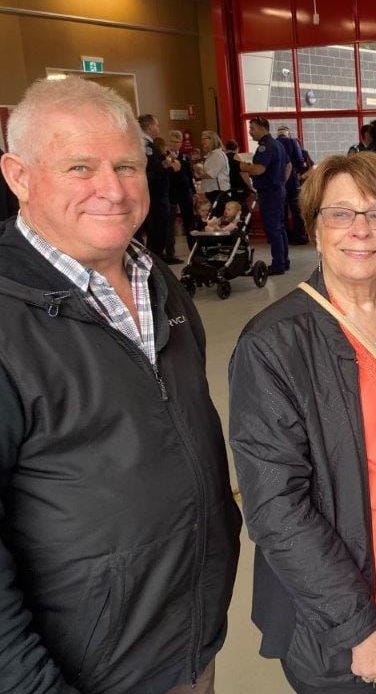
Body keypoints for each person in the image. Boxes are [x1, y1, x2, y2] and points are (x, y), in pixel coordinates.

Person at [0, 75, 241, 693]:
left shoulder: (156, 279)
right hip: (79, 674)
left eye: (127, 166)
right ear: (19, 176)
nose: (112, 190)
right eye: (80, 166)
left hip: (185, 643)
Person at [229, 152, 376, 694]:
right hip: (341, 614)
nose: (361, 229)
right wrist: (359, 624)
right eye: (341, 214)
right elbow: (276, 507)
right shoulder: (273, 344)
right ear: (315, 226)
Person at [240, 116, 290, 275]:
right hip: (278, 190)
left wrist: (244, 166)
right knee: (280, 228)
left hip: (269, 193)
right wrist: (281, 181)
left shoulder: (266, 146)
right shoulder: (278, 144)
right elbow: (288, 166)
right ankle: (284, 260)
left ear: (263, 128)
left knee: (273, 229)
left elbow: (259, 169)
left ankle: (278, 264)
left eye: (252, 128)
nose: (250, 132)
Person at [139, 112, 172, 258]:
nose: (158, 128)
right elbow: (153, 169)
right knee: (157, 229)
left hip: (153, 193)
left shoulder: (145, 143)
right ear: (150, 126)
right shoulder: (146, 145)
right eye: (157, 125)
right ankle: (154, 259)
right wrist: (167, 166)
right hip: (155, 194)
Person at [277, 125, 309, 245]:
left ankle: (285, 236)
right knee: (296, 209)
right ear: (288, 133)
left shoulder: (273, 144)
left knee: (282, 210)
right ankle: (298, 236)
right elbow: (300, 161)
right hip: (292, 180)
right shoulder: (293, 142)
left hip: (277, 181)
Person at [166, 129, 194, 262]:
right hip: (171, 193)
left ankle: (193, 249)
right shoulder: (165, 156)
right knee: (170, 224)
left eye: (178, 142)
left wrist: (193, 192)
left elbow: (190, 176)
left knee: (189, 221)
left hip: (185, 193)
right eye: (173, 141)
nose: (175, 144)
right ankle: (170, 253)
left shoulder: (184, 157)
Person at [194, 129, 231, 216]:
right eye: (201, 139)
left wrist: (199, 171)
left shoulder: (217, 155)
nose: (202, 141)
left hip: (218, 191)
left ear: (212, 140)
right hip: (212, 191)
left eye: (204, 139)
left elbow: (211, 174)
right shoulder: (210, 155)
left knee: (216, 217)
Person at [224, 138, 253, 207]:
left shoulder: (223, 157)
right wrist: (250, 186)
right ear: (237, 148)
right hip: (238, 187)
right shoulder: (236, 156)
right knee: (241, 207)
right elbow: (243, 173)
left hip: (228, 186)